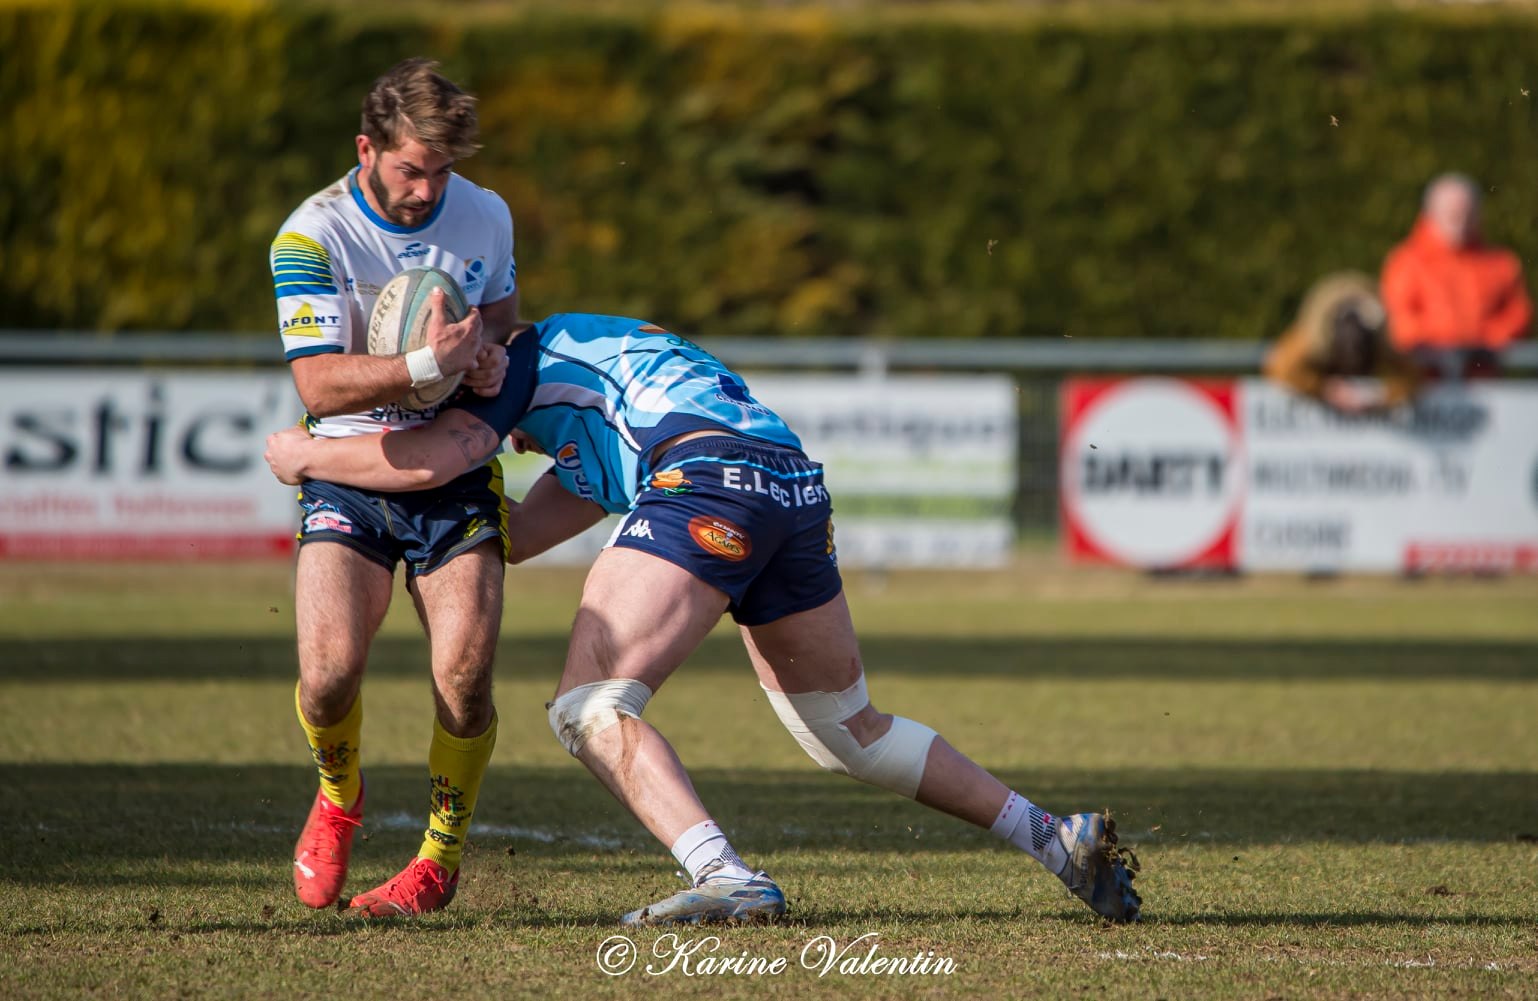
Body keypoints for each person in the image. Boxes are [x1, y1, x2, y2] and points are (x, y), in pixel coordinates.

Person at [264, 313, 1143, 925]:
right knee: (851, 732)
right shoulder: (599, 393)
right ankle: (1054, 839)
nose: (502, 431)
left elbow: (446, 454)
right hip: (787, 480)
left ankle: (725, 876)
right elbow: (514, 534)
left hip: (704, 477)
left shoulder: (521, 357)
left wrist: (311, 454)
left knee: (590, 706)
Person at [270, 58, 521, 917]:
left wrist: (489, 354)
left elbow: (502, 320)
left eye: (442, 170)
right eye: (412, 168)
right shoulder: (312, 234)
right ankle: (339, 795)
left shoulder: (485, 215)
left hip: (451, 471)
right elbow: (316, 387)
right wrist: (427, 362)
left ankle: (438, 858)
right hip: (351, 468)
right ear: (366, 148)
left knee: (465, 677)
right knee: (330, 675)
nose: (428, 189)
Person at [1381, 173, 1531, 379]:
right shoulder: (1405, 262)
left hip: (1483, 380)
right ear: (1431, 214)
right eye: (1453, 215)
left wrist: (1484, 340)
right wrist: (1457, 339)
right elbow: (1400, 323)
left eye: (1468, 215)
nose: (1461, 223)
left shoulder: (1501, 263)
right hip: (1426, 383)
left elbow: (1519, 315)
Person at [1264, 272, 1418, 412]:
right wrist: (1325, 388)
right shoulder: (1309, 336)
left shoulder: (1384, 338)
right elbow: (1280, 368)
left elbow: (1412, 376)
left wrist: (1379, 398)